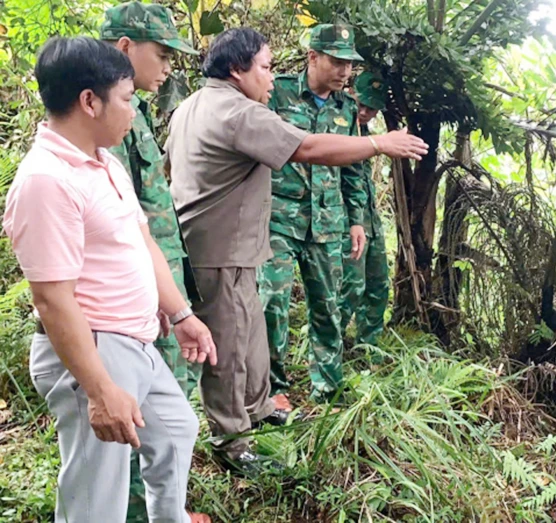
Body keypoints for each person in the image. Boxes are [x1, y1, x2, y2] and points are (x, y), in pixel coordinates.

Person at [166, 27, 427, 474]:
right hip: (221, 248)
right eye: (265, 68)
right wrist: (378, 143)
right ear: (236, 69)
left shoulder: (191, 103)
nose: (271, 78)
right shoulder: (238, 112)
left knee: (249, 337)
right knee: (227, 349)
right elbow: (304, 147)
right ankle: (232, 441)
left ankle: (259, 407)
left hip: (232, 246)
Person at [3, 36, 217, 523]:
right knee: (95, 495)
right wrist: (99, 391)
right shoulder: (46, 181)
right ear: (89, 101)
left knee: (176, 430)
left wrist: (181, 313)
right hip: (96, 350)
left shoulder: (105, 162)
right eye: (125, 98)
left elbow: (143, 245)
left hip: (136, 341)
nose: (132, 109)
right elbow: (53, 299)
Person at [99, 3, 208, 522]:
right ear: (125, 48)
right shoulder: (102, 115)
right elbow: (117, 226)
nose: (168, 68)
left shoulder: (133, 107)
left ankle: (163, 511)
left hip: (156, 281)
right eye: (161, 55)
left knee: (170, 415)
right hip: (130, 295)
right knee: (140, 413)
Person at [258, 23, 369, 412]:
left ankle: (328, 386)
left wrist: (357, 220)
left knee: (328, 304)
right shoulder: (279, 92)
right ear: (313, 57)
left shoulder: (347, 107)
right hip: (279, 218)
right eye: (337, 62)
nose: (344, 72)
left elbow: (354, 168)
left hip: (327, 221)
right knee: (273, 301)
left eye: (349, 64)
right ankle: (271, 387)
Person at [338, 71, 390, 350]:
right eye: (361, 104)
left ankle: (368, 347)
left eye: (372, 108)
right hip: (346, 220)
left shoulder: (365, 132)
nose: (365, 112)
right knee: (350, 286)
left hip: (370, 218)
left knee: (378, 283)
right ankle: (329, 346)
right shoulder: (336, 128)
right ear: (350, 94)